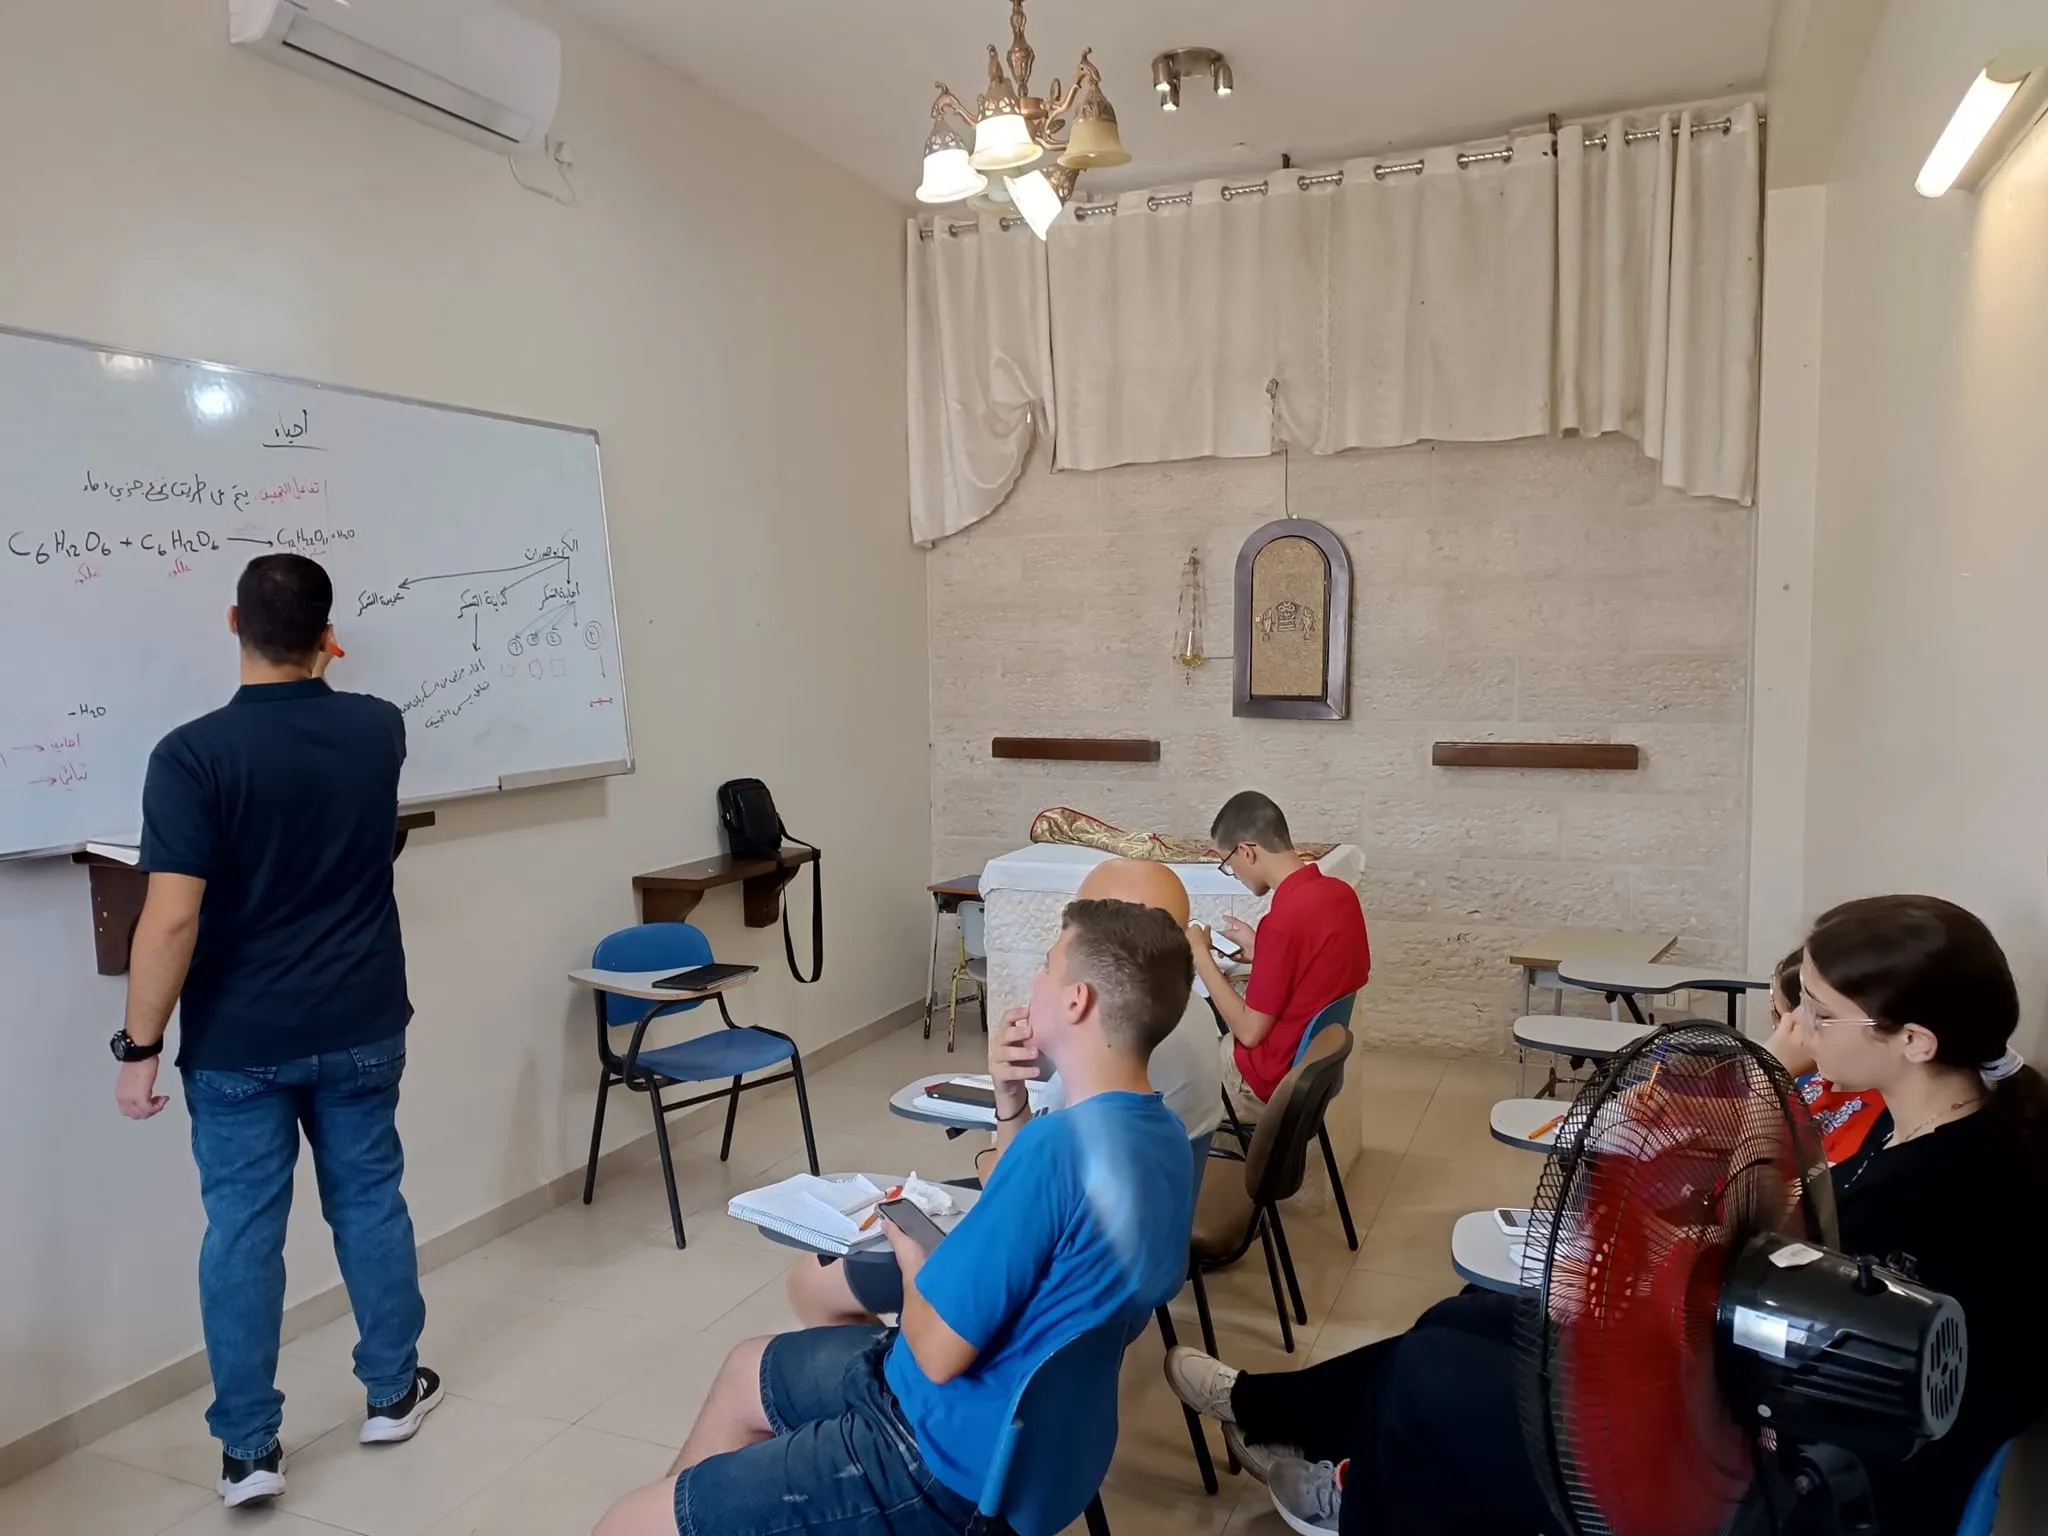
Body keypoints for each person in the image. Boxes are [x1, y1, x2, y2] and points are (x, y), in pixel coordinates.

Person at [1166, 894, 2048, 1536]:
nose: (1802, 1031)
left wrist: (1765, 1079)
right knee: (1467, 1316)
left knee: (1439, 1377)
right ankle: (1279, 1417)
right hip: (1760, 1399)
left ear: (1915, 1041)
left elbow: (1765, 1288)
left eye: (1818, 1015)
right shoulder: (1921, 1118)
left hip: (1791, 1486)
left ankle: (1353, 1491)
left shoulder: (1944, 1186)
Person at [595, 898, 1199, 1536]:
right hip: (1033, 1437)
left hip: (937, 1457)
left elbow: (936, 1351)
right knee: (748, 1367)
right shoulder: (1159, 1134)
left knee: (625, 1522)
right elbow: (1026, 1194)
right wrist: (1010, 1102)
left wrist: (912, 1249)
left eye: (1048, 967)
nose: (1035, 984)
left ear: (1076, 1001)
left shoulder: (1058, 1151)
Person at [112, 554, 437, 1509]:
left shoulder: (191, 756)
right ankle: (390, 1394)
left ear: (231, 623)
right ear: (331, 635)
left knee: (244, 1234)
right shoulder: (378, 729)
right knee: (370, 1203)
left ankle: (249, 1451)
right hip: (364, 1021)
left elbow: (170, 919)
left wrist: (138, 1049)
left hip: (239, 1039)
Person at [785, 857, 1222, 1328]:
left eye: (1057, 959)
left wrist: (989, 1155)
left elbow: (1019, 1181)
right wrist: (1012, 1097)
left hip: (1047, 1279)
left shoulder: (1080, 1122)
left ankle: (887, 1387)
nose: (1043, 971)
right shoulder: (1180, 1022)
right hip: (1113, 1270)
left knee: (811, 1278)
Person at [1188, 791, 1369, 1122]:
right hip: (1317, 1070)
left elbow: (1249, 1031)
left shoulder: (1283, 921)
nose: (1234, 872)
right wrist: (1263, 951)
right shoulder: (1340, 895)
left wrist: (1200, 954)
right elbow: (1321, 973)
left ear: (1247, 851)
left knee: (1168, 1069)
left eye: (1229, 864)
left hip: (1265, 1081)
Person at [1761, 945, 1885, 1163]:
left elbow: (1755, 1191)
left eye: (1820, 1013)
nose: (1798, 1018)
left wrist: (1770, 1075)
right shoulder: (1819, 1079)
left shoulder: (1875, 1122)